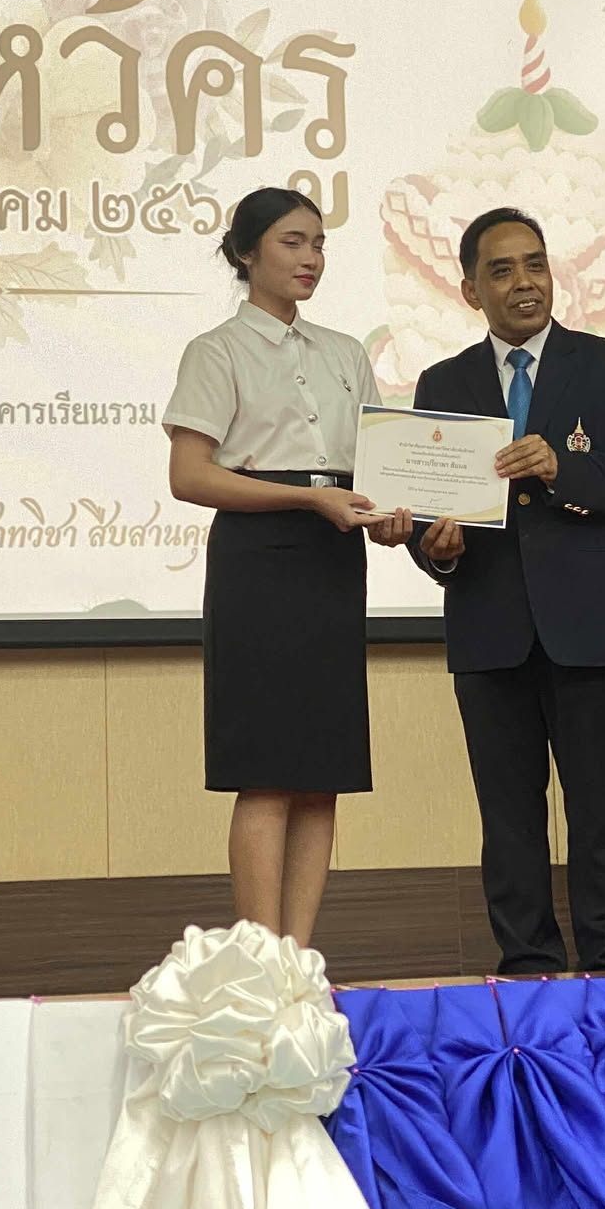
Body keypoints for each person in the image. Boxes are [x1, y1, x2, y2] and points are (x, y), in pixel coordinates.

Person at [404, 205, 605, 975]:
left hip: (588, 627)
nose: (524, 282)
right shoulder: (443, 382)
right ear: (471, 291)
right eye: (502, 271)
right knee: (509, 818)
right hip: (488, 628)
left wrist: (567, 470)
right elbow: (426, 514)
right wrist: (438, 550)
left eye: (535, 264)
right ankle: (527, 967)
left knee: (602, 811)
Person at [163, 186, 410, 947]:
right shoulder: (216, 351)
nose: (311, 259)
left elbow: (377, 472)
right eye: (292, 243)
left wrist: (391, 517)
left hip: (332, 559)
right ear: (246, 253)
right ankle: (259, 959)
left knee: (321, 774)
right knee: (267, 773)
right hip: (258, 562)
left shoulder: (344, 352)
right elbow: (189, 476)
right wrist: (306, 499)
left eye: (319, 243)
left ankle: (299, 958)